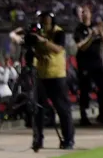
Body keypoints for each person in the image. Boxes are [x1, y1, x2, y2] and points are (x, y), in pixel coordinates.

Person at [10, 11, 75, 150]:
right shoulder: (38, 32)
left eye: (46, 19)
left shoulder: (58, 33)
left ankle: (68, 139)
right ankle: (38, 139)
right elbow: (20, 40)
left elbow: (58, 49)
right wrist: (18, 34)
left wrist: (42, 40)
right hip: (40, 75)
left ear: (51, 19)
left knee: (62, 108)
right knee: (38, 109)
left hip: (56, 75)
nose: (44, 22)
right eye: (42, 19)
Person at [73, 4, 103, 126]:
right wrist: (91, 36)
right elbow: (81, 47)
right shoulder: (78, 29)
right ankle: (83, 115)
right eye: (82, 12)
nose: (84, 14)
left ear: (90, 13)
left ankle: (102, 112)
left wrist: (101, 32)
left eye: (86, 12)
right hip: (84, 63)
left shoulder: (95, 27)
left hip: (96, 62)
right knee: (85, 89)